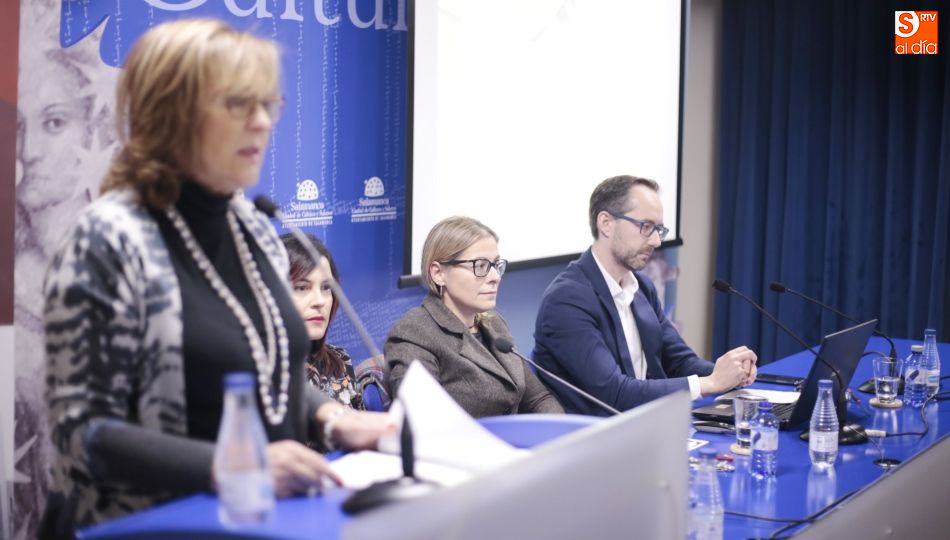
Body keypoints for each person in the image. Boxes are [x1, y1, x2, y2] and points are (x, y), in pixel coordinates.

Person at [41, 20, 392, 536]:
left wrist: (336, 420)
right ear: (172, 113)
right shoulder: (108, 241)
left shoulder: (251, 226)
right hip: (151, 524)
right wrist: (234, 466)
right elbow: (83, 432)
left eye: (268, 105)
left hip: (256, 519)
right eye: (238, 105)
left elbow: (269, 374)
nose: (261, 123)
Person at [533, 175, 757, 415]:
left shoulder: (641, 286)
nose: (656, 241)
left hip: (646, 425)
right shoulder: (566, 300)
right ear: (606, 223)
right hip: (595, 439)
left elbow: (678, 361)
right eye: (646, 227)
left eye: (659, 229)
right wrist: (711, 383)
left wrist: (728, 373)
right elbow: (614, 394)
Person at [385, 216, 563, 417]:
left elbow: (539, 398)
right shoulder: (415, 333)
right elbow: (421, 419)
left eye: (496, 265)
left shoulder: (494, 324)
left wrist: (561, 439)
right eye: (480, 266)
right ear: (438, 273)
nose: (495, 277)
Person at [282, 233, 365, 411]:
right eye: (302, 287)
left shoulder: (339, 360)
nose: (320, 301)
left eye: (326, 287)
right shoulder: (259, 372)